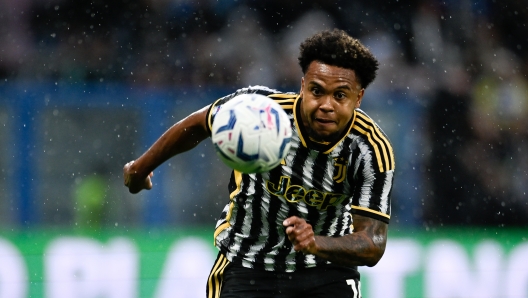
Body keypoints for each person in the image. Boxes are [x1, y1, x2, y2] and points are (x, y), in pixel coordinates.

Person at [123, 29, 395, 298]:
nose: (326, 105)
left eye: (340, 96)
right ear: (302, 86)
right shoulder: (259, 110)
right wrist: (140, 168)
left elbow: (373, 243)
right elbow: (199, 123)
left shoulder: (370, 148)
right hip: (248, 263)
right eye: (316, 91)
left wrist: (316, 243)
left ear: (358, 98)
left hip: (325, 270)